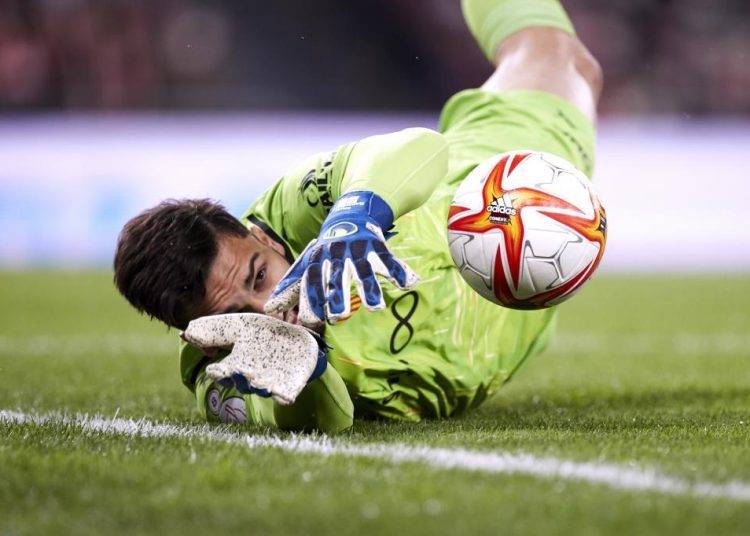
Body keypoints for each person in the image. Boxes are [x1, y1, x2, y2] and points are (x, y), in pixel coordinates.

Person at [114, 0, 602, 433]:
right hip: (512, 316)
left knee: (569, 61)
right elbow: (322, 419)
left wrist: (353, 216)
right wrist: (303, 367)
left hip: (505, 196)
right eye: (233, 316)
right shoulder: (223, 379)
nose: (265, 310)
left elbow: (421, 149)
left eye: (258, 276)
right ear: (201, 338)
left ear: (265, 239)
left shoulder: (290, 211)